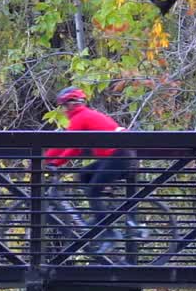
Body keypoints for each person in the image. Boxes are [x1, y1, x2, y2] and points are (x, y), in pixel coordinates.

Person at [43, 86, 142, 251]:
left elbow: (72, 146)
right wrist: (46, 160)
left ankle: (109, 233)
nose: (63, 109)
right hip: (119, 155)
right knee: (83, 175)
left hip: (120, 156)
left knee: (93, 191)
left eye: (64, 105)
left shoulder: (81, 117)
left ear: (73, 104)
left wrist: (52, 163)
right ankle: (101, 216)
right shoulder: (81, 116)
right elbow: (64, 144)